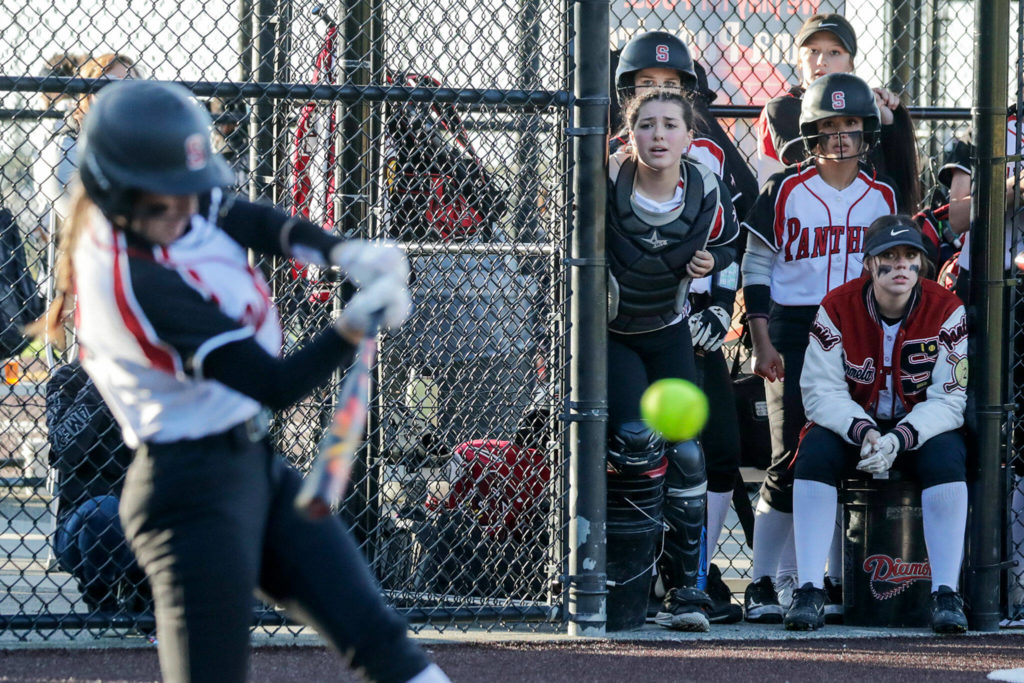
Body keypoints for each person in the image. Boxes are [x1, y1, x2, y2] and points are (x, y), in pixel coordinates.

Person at [30, 80, 447, 683]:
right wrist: (355, 325)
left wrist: (342, 252)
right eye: (163, 200)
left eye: (186, 192)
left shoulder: (168, 204)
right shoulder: (127, 280)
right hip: (186, 496)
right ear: (112, 190)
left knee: (378, 638)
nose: (183, 210)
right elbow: (272, 384)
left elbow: (247, 217)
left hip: (252, 465)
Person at [740, 72, 899, 624]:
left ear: (866, 133)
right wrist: (760, 338)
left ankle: (832, 579)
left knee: (844, 447)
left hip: (857, 326)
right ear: (810, 133)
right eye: (828, 127)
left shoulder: (881, 194)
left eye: (850, 126)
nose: (839, 137)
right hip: (792, 325)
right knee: (789, 456)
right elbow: (757, 267)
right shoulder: (783, 188)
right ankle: (760, 583)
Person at [611, 31, 756, 625]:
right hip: (615, 333)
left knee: (691, 455)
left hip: (669, 327)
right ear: (630, 122)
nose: (659, 132)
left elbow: (730, 244)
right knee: (635, 442)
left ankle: (688, 587)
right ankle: (629, 579)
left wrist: (716, 282)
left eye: (671, 113)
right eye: (647, 114)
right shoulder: (607, 173)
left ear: (688, 128)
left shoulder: (705, 182)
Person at [786, 215, 968, 634]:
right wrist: (865, 432)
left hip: (919, 427)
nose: (901, 266)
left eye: (910, 256)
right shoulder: (836, 307)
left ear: (921, 263)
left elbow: (949, 399)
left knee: (947, 457)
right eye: (888, 257)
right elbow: (819, 392)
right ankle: (810, 589)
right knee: (813, 452)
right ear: (869, 265)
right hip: (854, 425)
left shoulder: (947, 310)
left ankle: (945, 593)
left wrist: (900, 438)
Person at [756, 13, 920, 214]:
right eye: (813, 51)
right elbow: (829, 168)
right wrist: (868, 112)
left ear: (850, 63)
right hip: (794, 219)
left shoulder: (866, 104)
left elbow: (893, 177)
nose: (822, 61)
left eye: (834, 52)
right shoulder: (782, 108)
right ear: (799, 59)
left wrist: (887, 120)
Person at [46, 360, 147, 615]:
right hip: (82, 526)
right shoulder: (68, 379)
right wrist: (102, 382)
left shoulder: (156, 377)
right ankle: (101, 600)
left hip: (149, 520)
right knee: (105, 510)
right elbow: (65, 449)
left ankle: (145, 595)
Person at [33, 53, 137, 229]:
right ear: (86, 96)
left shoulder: (138, 142)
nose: (121, 93)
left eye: (132, 86)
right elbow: (97, 222)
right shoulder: (65, 146)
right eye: (109, 84)